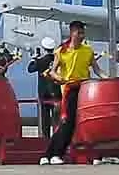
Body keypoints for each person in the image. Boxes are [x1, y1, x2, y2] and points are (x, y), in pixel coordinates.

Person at [45, 24, 97, 161]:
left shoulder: (88, 50)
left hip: (85, 89)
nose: (81, 36)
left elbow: (97, 69)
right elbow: (52, 71)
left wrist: (108, 79)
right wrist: (58, 78)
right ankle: (53, 154)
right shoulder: (62, 51)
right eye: (79, 33)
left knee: (88, 121)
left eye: (83, 33)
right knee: (68, 122)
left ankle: (95, 155)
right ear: (72, 33)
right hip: (70, 89)